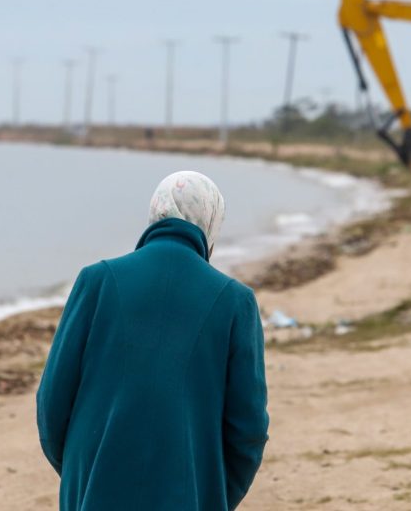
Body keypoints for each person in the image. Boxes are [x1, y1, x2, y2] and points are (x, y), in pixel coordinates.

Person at [37, 171, 269, 511]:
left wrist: (81, 475)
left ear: (154, 215)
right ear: (211, 224)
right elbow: (247, 430)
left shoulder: (96, 281)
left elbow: (52, 404)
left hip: (94, 492)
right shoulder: (236, 301)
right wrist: (210, 494)